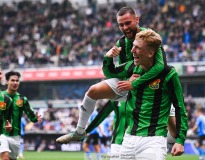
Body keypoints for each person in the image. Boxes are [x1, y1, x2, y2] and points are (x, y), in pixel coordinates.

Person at [56, 6, 177, 147]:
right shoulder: (121, 43)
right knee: (93, 91)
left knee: (174, 131)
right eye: (121, 25)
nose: (125, 27)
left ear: (137, 20)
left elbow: (160, 67)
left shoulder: (150, 37)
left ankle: (165, 144)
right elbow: (112, 73)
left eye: (128, 23)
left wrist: (135, 83)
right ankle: (79, 131)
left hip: (156, 86)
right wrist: (108, 58)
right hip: (130, 85)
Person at [102, 29, 188, 159]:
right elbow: (110, 73)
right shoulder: (131, 67)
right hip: (129, 138)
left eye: (137, 48)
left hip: (154, 141)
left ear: (150, 53)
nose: (132, 51)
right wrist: (108, 58)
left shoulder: (169, 74)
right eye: (133, 46)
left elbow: (179, 107)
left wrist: (180, 140)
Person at [1, 71, 42, 160]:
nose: (15, 83)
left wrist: (35, 118)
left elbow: (31, 115)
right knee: (5, 157)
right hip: (2, 133)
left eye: (17, 81)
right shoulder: (1, 96)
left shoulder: (22, 99)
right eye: (12, 80)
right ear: (7, 81)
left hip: (15, 135)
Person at [0, 66, 13, 160]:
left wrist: (8, 125)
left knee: (5, 156)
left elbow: (7, 119)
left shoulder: (7, 99)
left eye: (0, 73)